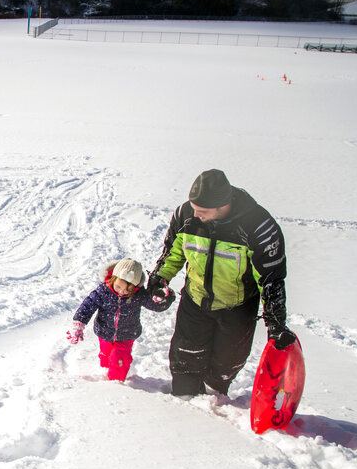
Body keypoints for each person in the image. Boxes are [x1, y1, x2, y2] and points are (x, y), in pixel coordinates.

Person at [147, 168, 296, 396]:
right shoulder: (186, 214)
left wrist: (275, 323)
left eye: (203, 211)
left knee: (224, 367)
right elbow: (173, 252)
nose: (196, 215)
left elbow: (270, 279)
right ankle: (182, 403)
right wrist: (160, 278)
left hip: (237, 308)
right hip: (195, 301)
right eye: (194, 208)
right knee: (185, 361)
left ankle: (215, 405)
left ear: (223, 205)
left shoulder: (257, 226)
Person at [68, 258, 175, 381]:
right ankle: (104, 373)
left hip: (127, 335)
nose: (122, 292)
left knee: (119, 360)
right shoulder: (103, 291)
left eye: (128, 290)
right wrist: (78, 323)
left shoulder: (139, 294)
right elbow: (88, 305)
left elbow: (153, 304)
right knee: (106, 356)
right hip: (104, 331)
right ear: (113, 278)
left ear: (135, 287)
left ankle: (115, 384)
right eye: (118, 286)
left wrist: (165, 300)